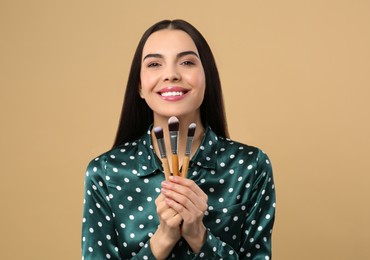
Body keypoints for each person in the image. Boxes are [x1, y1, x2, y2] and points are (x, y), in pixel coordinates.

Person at [81, 19, 276, 260]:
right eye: (154, 64)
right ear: (139, 86)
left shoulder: (250, 166)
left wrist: (199, 236)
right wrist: (163, 239)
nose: (171, 74)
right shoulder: (106, 173)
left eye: (186, 62)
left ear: (207, 78)